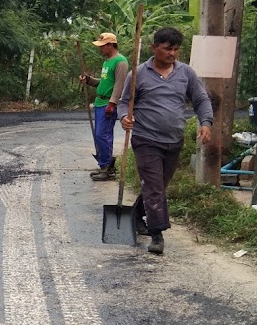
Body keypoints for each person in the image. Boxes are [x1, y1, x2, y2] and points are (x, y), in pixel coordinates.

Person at [119, 26, 214, 255]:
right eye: (167, 49)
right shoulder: (138, 74)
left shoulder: (186, 73)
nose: (172, 54)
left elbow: (201, 99)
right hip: (145, 139)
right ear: (154, 48)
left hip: (173, 141)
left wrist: (206, 123)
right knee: (154, 186)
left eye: (176, 49)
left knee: (158, 186)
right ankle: (157, 234)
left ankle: (135, 216)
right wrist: (124, 117)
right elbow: (124, 102)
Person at [80, 32, 129, 181]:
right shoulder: (107, 62)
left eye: (102, 46)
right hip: (100, 102)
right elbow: (103, 83)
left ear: (110, 45)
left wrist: (112, 103)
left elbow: (120, 85)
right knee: (100, 135)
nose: (100, 49)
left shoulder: (120, 62)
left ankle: (108, 169)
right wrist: (88, 80)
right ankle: (104, 165)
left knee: (103, 135)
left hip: (109, 104)